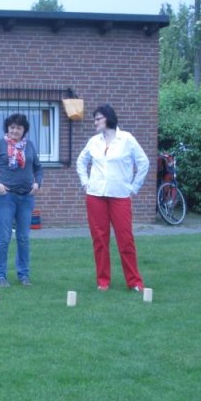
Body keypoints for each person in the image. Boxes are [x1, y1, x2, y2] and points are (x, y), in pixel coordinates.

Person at [76, 104, 149, 292]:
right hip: (95, 195)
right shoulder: (94, 141)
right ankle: (103, 281)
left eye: (98, 119)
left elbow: (143, 163)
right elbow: (81, 161)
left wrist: (134, 187)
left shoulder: (127, 139)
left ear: (108, 118)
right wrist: (85, 182)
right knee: (99, 239)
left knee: (125, 239)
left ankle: (134, 282)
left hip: (120, 196)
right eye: (95, 119)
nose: (95, 122)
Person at [0, 113, 43, 287]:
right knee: (4, 237)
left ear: (24, 131)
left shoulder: (29, 146)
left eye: (19, 128)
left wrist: (37, 183)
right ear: (8, 128)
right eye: (12, 127)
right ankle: (0, 276)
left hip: (26, 198)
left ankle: (23, 275)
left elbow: (38, 168)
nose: (15, 130)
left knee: (23, 238)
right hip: (6, 198)